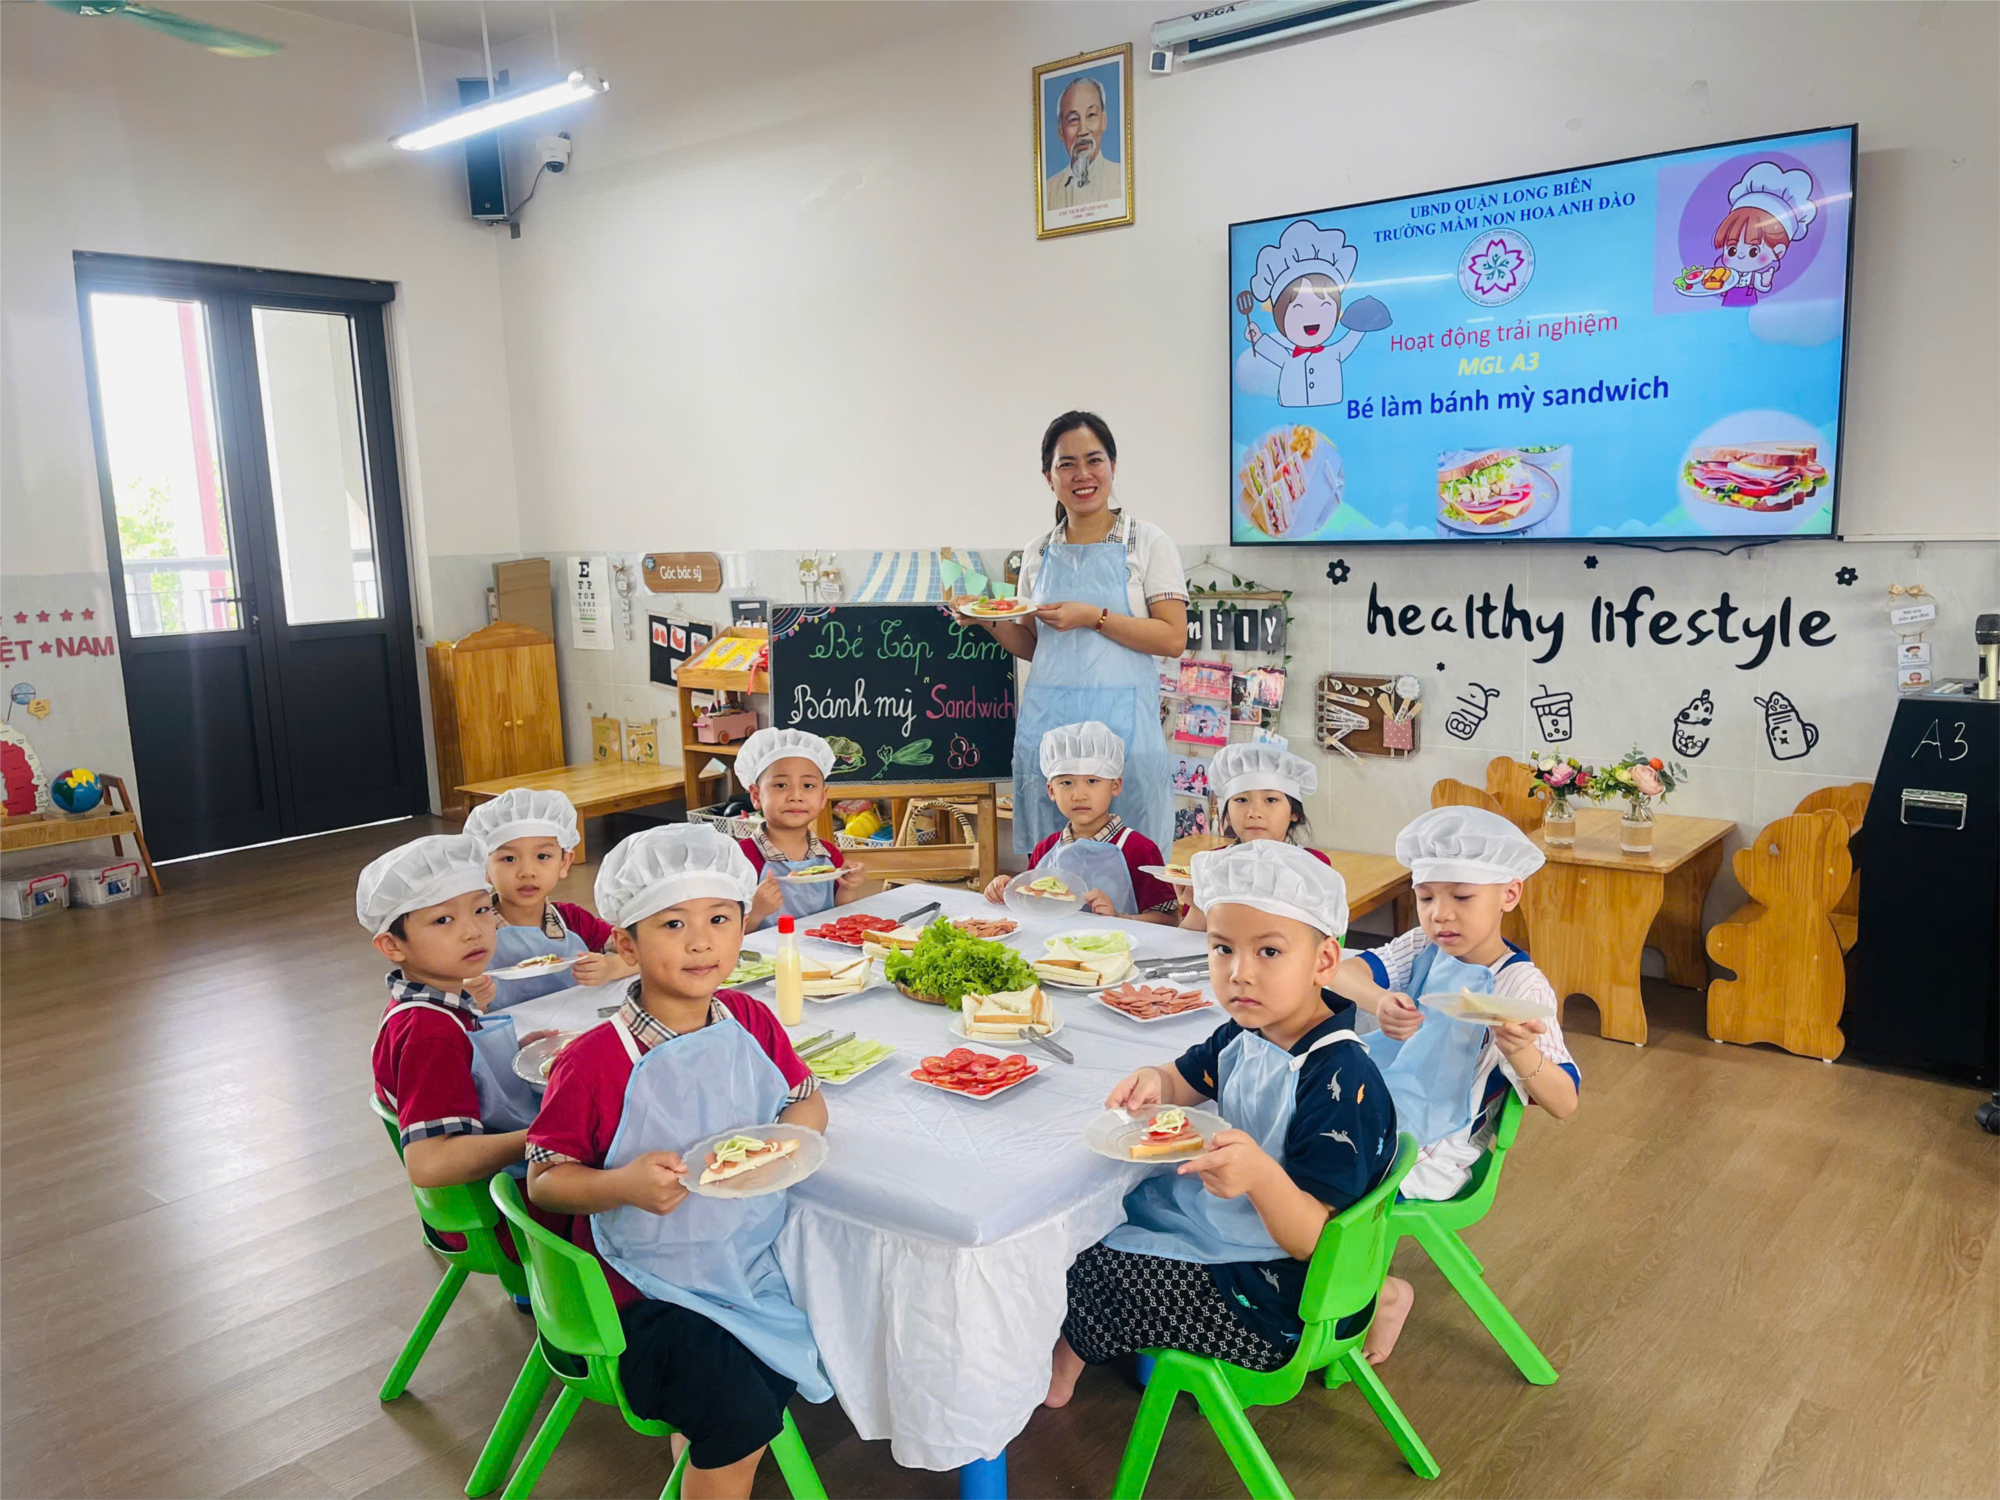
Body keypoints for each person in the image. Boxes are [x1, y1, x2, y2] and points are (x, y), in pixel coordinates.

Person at [526, 826, 830, 1500]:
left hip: (740, 1264)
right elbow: (544, 1180)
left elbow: (807, 1101)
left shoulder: (750, 1019)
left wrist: (781, 1146)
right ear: (626, 945)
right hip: (637, 1292)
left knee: (769, 1381)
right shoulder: (591, 1062)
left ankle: (700, 1457)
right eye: (673, 923)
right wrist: (621, 1185)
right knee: (742, 1413)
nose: (701, 942)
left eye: (720, 919)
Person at [1046, 842, 1397, 1407]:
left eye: (1269, 952)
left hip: (1278, 1296)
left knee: (1093, 1266)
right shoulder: (1245, 1032)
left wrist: (1259, 1177)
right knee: (1091, 1223)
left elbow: (1314, 1238)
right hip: (1228, 1231)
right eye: (1222, 948)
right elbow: (1184, 1079)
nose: (1239, 973)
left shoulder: (1339, 1078)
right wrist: (1154, 1080)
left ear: (1324, 962)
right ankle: (1086, 1346)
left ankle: (1061, 1372)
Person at [1325, 805, 1579, 1366]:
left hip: (1434, 1147)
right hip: (1379, 1110)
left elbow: (1564, 1101)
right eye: (1426, 897)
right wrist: (1379, 1001)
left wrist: (1521, 1050)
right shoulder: (1423, 948)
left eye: (1462, 897)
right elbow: (1338, 970)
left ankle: (1376, 1295)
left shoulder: (1521, 986)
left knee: (1311, 1176)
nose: (1441, 914)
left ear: (1508, 894)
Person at [960, 411, 1186, 859]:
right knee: (1052, 870)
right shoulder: (1038, 552)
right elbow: (1033, 645)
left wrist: (1093, 617)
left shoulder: (1147, 542)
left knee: (1132, 864)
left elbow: (1172, 638)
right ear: (1049, 477)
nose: (1082, 474)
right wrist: (986, 619)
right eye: (1067, 464)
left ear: (1113, 466)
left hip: (1126, 731)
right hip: (1052, 731)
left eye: (1094, 460)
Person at [362, 835, 555, 1207]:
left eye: (481, 910)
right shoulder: (429, 1033)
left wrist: (512, 1053)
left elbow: (460, 1072)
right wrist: (548, 1135)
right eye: (443, 919)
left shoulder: (434, 1004)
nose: (473, 931)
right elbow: (430, 1164)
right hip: (503, 1208)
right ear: (393, 946)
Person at [981, 720, 1178, 924]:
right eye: (1066, 783)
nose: (1079, 795)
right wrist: (1008, 891)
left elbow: (1170, 920)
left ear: (1115, 785)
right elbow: (1034, 904)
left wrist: (1120, 918)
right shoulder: (1046, 849)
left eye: (1092, 781)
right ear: (1051, 791)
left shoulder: (1140, 850)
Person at [465, 788, 636, 1007]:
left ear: (564, 863)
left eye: (542, 856)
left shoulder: (573, 920)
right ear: (484, 867)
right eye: (509, 859)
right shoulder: (470, 929)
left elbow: (642, 955)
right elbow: (441, 990)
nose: (527, 872)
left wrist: (611, 967)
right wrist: (467, 996)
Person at [1180, 743, 1329, 932]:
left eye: (1271, 800)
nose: (1254, 812)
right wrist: (1197, 905)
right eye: (1241, 800)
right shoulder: (1211, 862)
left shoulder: (1312, 864)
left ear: (1294, 812)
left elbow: (1315, 936)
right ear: (1227, 813)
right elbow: (1189, 937)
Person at [732, 728, 869, 932]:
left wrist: (848, 887)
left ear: (823, 796)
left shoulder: (829, 854)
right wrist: (757, 910)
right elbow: (727, 935)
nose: (796, 796)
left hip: (821, 950)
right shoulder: (741, 858)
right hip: (768, 952)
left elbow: (841, 915)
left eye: (808, 785)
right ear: (756, 795)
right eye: (781, 785)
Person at [1043, 75, 1121, 212]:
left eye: (1091, 115)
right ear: (1061, 131)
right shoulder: (1047, 192)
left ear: (1104, 121)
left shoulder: (1122, 179)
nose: (1083, 131)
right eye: (1073, 119)